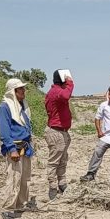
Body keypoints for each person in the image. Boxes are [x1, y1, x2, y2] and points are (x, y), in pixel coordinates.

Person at [0, 78, 34, 219]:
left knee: (25, 178)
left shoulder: (21, 106)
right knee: (13, 179)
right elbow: (4, 132)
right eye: (20, 89)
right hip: (15, 149)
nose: (24, 91)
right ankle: (8, 208)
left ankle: (20, 203)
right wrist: (12, 149)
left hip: (25, 147)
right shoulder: (5, 108)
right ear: (13, 91)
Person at [44, 69, 74, 200]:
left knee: (62, 160)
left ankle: (61, 183)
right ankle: (52, 187)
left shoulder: (55, 91)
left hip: (61, 131)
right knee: (54, 161)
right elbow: (66, 95)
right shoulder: (56, 92)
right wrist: (70, 82)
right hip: (56, 131)